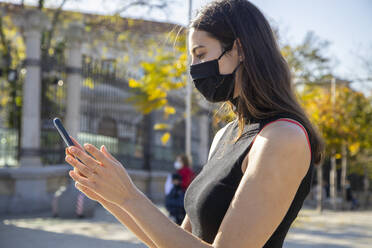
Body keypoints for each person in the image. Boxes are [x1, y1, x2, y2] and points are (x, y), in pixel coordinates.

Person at [64, 1, 325, 247]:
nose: (194, 68)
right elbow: (179, 240)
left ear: (240, 49)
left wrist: (128, 197)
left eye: (201, 55)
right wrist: (112, 198)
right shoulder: (226, 135)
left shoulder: (282, 137)